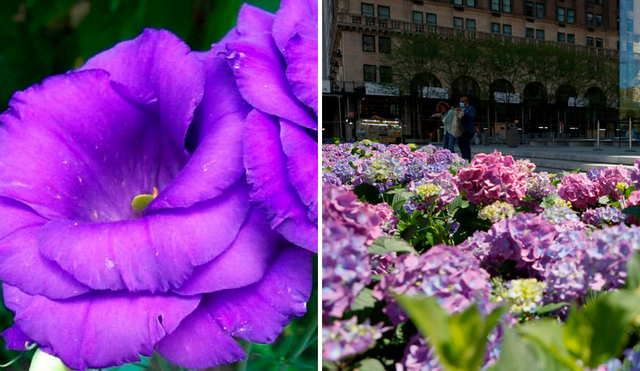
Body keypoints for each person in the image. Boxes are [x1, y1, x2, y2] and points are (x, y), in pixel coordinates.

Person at [456, 97, 476, 161]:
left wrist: (462, 112)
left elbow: (471, 116)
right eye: (460, 101)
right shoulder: (459, 109)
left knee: (466, 146)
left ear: (466, 102)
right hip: (459, 131)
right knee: (460, 145)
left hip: (467, 131)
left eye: (462, 101)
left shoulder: (470, 109)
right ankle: (463, 159)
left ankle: (467, 160)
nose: (461, 103)